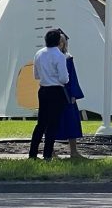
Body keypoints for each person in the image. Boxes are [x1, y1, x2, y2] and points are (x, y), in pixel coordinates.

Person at [28, 28, 70, 160]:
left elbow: (36, 75)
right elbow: (64, 79)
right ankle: (47, 154)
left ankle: (32, 153)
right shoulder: (59, 56)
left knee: (41, 123)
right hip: (56, 91)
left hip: (43, 89)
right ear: (58, 41)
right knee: (53, 124)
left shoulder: (39, 54)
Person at [55, 33, 85, 160]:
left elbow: (72, 77)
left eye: (62, 42)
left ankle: (73, 151)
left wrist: (74, 94)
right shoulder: (50, 57)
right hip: (55, 93)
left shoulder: (67, 58)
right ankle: (50, 151)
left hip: (67, 94)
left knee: (71, 122)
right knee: (53, 123)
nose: (60, 44)